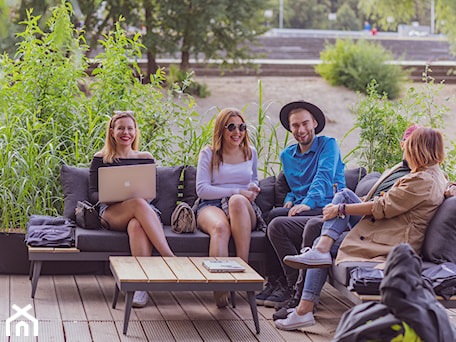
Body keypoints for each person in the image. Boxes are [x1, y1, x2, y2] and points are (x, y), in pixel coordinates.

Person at [276, 127, 447, 330]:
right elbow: (385, 201)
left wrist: (341, 208)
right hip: (387, 230)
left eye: (407, 147)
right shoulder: (434, 175)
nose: (405, 152)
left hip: (392, 240)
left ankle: (304, 308)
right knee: (342, 199)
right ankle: (308, 293)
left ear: (417, 149)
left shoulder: (423, 180)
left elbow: (383, 207)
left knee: (337, 208)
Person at [256, 100, 345, 308]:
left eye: (305, 123)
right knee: (273, 215)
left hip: (326, 208)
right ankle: (275, 280)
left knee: (277, 223)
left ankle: (292, 287)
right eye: (295, 125)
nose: (301, 129)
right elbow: (294, 186)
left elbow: (323, 177)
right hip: (305, 208)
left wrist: (307, 203)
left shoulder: (328, 145)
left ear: (314, 122)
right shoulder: (287, 155)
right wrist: (290, 199)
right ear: (290, 128)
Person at [89, 111, 175, 308]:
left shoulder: (145, 157)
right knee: (136, 203)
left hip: (144, 211)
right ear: (112, 132)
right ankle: (169, 258)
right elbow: (92, 194)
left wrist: (140, 197)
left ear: (136, 132)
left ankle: (140, 288)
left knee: (136, 224)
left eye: (130, 128)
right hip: (112, 213)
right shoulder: (101, 158)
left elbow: (155, 193)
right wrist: (118, 196)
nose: (125, 132)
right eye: (120, 128)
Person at [196, 108, 263, 308]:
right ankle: (221, 286)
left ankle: (242, 273)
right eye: (231, 127)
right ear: (221, 130)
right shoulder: (209, 153)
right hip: (211, 205)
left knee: (236, 201)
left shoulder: (250, 152)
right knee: (220, 228)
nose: (237, 132)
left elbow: (253, 180)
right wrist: (236, 190)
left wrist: (251, 189)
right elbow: (202, 189)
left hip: (242, 208)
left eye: (241, 127)